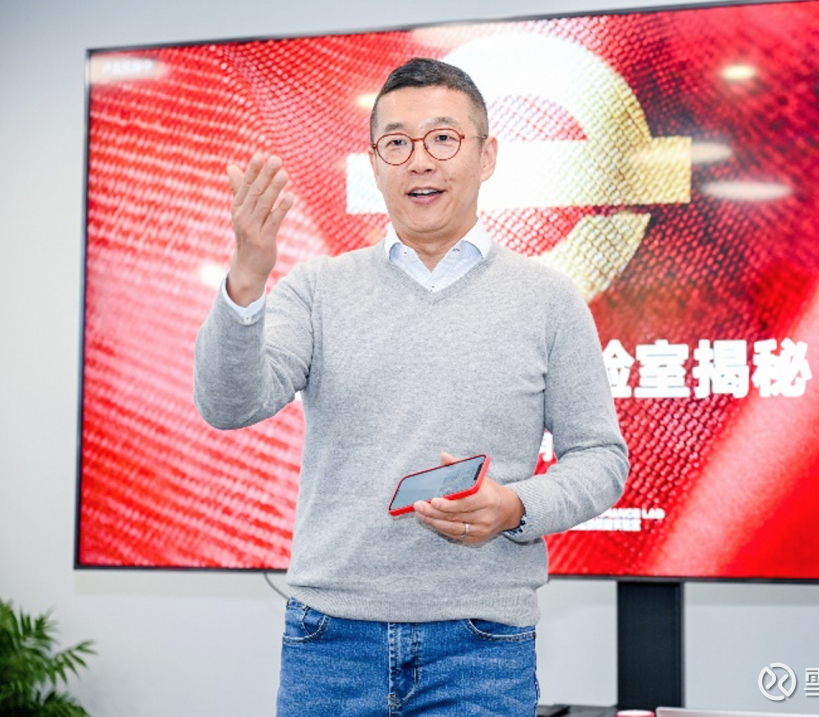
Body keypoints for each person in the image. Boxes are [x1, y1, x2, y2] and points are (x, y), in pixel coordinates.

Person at [193, 57, 629, 716]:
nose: (420, 161)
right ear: (375, 165)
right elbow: (228, 404)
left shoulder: (548, 299)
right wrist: (247, 280)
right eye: (396, 143)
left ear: (486, 156)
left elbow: (601, 458)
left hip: (481, 647)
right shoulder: (317, 289)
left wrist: (516, 506)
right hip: (329, 642)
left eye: (443, 139)